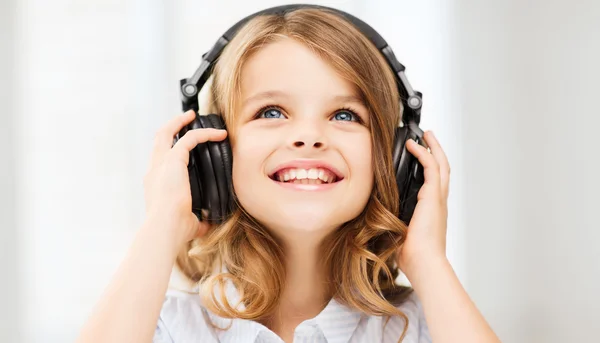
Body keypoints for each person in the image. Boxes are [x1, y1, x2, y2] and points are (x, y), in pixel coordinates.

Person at [76, 6, 501, 343]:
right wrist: (162, 224)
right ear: (212, 151)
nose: (309, 136)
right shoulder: (164, 327)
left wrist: (427, 259)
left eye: (344, 114)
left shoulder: (425, 326)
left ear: (393, 160)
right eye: (271, 112)